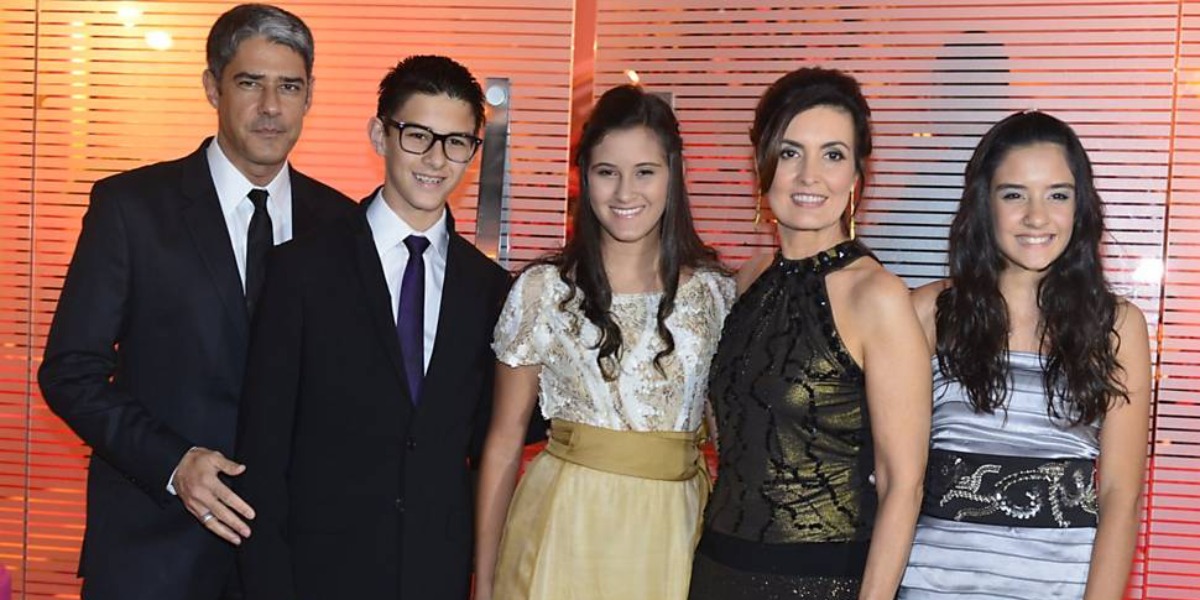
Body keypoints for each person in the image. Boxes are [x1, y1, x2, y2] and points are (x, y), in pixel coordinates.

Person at [36, 4, 354, 599]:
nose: (270, 107)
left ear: (310, 97)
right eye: (249, 83)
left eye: (289, 86)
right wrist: (174, 464)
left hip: (292, 561)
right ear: (213, 86)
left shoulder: (340, 224)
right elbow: (70, 371)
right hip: (153, 555)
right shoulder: (131, 208)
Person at [233, 55, 509, 600]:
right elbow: (262, 454)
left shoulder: (490, 291)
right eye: (417, 135)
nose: (436, 159)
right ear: (380, 135)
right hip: (318, 576)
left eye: (456, 142)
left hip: (436, 576)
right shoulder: (301, 271)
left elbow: (484, 443)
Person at [473, 84, 734, 600]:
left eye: (645, 172)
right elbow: (503, 443)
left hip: (677, 533)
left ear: (673, 176)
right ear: (584, 177)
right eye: (606, 172)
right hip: (564, 526)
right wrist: (483, 579)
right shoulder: (544, 290)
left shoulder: (716, 293)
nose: (624, 193)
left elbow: (728, 439)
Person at [688, 67, 931, 600]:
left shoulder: (877, 297)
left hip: (824, 582)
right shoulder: (744, 281)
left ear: (856, 178)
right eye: (791, 152)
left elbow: (902, 484)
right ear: (762, 165)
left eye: (833, 154)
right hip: (715, 568)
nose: (809, 175)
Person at [897, 111, 1151, 599]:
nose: (1038, 216)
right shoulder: (926, 314)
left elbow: (1121, 495)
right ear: (983, 204)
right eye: (1014, 194)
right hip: (931, 586)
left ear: (1080, 207)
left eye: (1058, 194)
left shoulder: (1117, 327)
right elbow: (891, 477)